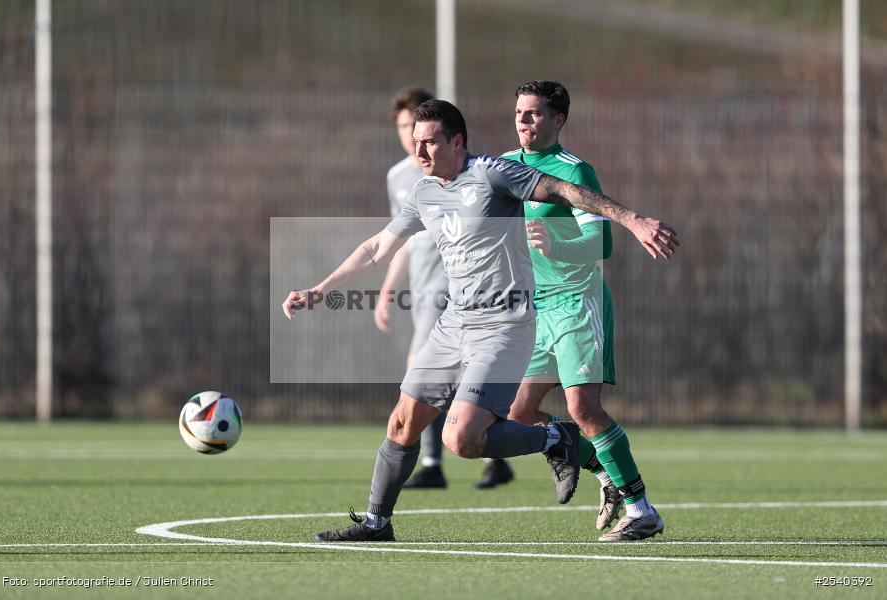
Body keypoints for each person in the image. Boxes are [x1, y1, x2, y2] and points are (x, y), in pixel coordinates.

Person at [282, 99, 677, 542]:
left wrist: (632, 220)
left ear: (457, 142)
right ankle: (377, 523)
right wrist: (320, 288)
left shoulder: (492, 173)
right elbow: (376, 248)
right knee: (402, 423)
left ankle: (557, 439)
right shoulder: (424, 192)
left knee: (463, 439)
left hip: (504, 325)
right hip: (454, 323)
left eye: (430, 142)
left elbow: (564, 190)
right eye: (416, 142)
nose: (420, 152)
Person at [498, 80, 662, 541]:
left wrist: (557, 243)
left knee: (583, 407)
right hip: (535, 308)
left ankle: (642, 509)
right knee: (518, 415)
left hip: (576, 301)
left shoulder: (575, 171)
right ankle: (602, 470)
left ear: (558, 120)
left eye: (533, 113)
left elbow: (600, 242)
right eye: (519, 112)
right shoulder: (505, 166)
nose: (523, 120)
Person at [377, 88, 514, 490]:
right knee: (451, 379)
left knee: (419, 372)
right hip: (420, 284)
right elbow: (401, 239)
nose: (411, 138)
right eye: (404, 128)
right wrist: (389, 287)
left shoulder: (468, 174)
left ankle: (433, 464)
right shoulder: (400, 178)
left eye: (417, 128)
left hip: (451, 286)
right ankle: (492, 454)